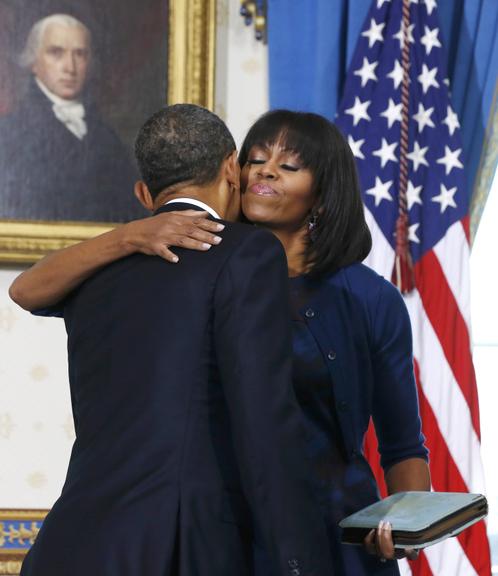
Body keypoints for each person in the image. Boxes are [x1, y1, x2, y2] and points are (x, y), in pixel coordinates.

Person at [11, 109, 431, 574]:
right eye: (256, 159)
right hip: (225, 534)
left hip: (327, 530)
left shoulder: (369, 300)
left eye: (289, 166)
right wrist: (130, 234)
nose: (266, 171)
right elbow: (29, 291)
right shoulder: (178, 262)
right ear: (234, 171)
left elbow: (402, 444)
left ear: (323, 194)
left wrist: (407, 526)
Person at [0, 13, 139, 222]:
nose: (70, 67)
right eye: (56, 53)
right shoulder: (8, 133)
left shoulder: (108, 137)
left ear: (89, 62)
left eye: (80, 54)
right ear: (33, 62)